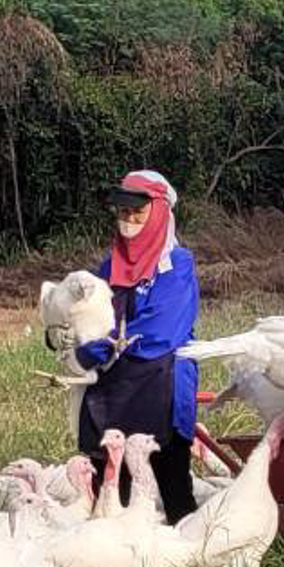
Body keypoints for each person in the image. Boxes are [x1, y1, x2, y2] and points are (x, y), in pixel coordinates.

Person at [73, 169, 199, 524]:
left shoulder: (177, 266)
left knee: (172, 485)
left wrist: (107, 347)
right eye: (122, 212)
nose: (128, 219)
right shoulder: (109, 266)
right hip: (114, 387)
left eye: (137, 212)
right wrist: (80, 342)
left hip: (161, 382)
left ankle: (189, 562)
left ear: (158, 214)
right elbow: (92, 314)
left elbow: (162, 331)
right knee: (112, 489)